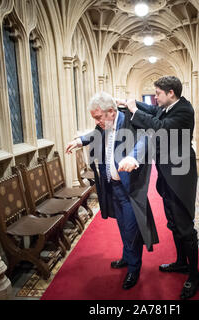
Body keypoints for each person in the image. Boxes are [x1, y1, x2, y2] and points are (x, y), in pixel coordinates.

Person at [117, 76, 199, 299]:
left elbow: (161, 127)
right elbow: (153, 112)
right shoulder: (167, 107)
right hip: (168, 176)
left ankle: (194, 275)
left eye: (158, 94)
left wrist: (134, 111)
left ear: (170, 93)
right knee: (173, 222)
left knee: (185, 227)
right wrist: (129, 103)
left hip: (181, 177)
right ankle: (181, 262)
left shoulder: (184, 110)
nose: (155, 98)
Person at [66, 92, 159, 290]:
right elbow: (94, 134)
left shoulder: (130, 121)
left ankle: (134, 269)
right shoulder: (103, 125)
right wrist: (80, 141)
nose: (97, 122)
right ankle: (127, 257)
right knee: (123, 225)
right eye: (94, 118)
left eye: (98, 117)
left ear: (111, 112)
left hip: (130, 188)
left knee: (132, 229)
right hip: (112, 186)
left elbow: (144, 140)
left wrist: (133, 157)